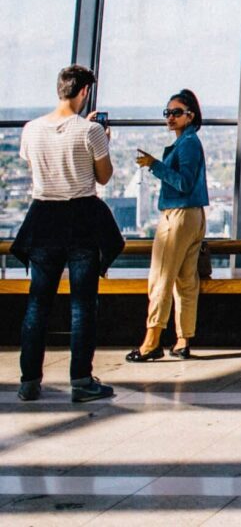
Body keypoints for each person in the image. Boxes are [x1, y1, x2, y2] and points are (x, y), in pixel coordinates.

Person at [9, 65, 122, 403]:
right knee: (82, 304)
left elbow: (34, 168)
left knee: (37, 303)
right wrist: (103, 139)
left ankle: (29, 380)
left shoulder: (31, 130)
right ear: (85, 92)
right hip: (81, 220)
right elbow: (103, 177)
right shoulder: (90, 132)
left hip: (43, 218)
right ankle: (81, 380)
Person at [127, 89, 209, 362]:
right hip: (193, 216)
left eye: (176, 113)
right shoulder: (189, 142)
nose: (170, 118)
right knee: (186, 280)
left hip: (178, 216)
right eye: (168, 113)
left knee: (161, 278)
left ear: (191, 115)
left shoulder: (187, 144)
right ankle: (183, 339)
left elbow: (183, 182)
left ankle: (151, 341)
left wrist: (154, 165)